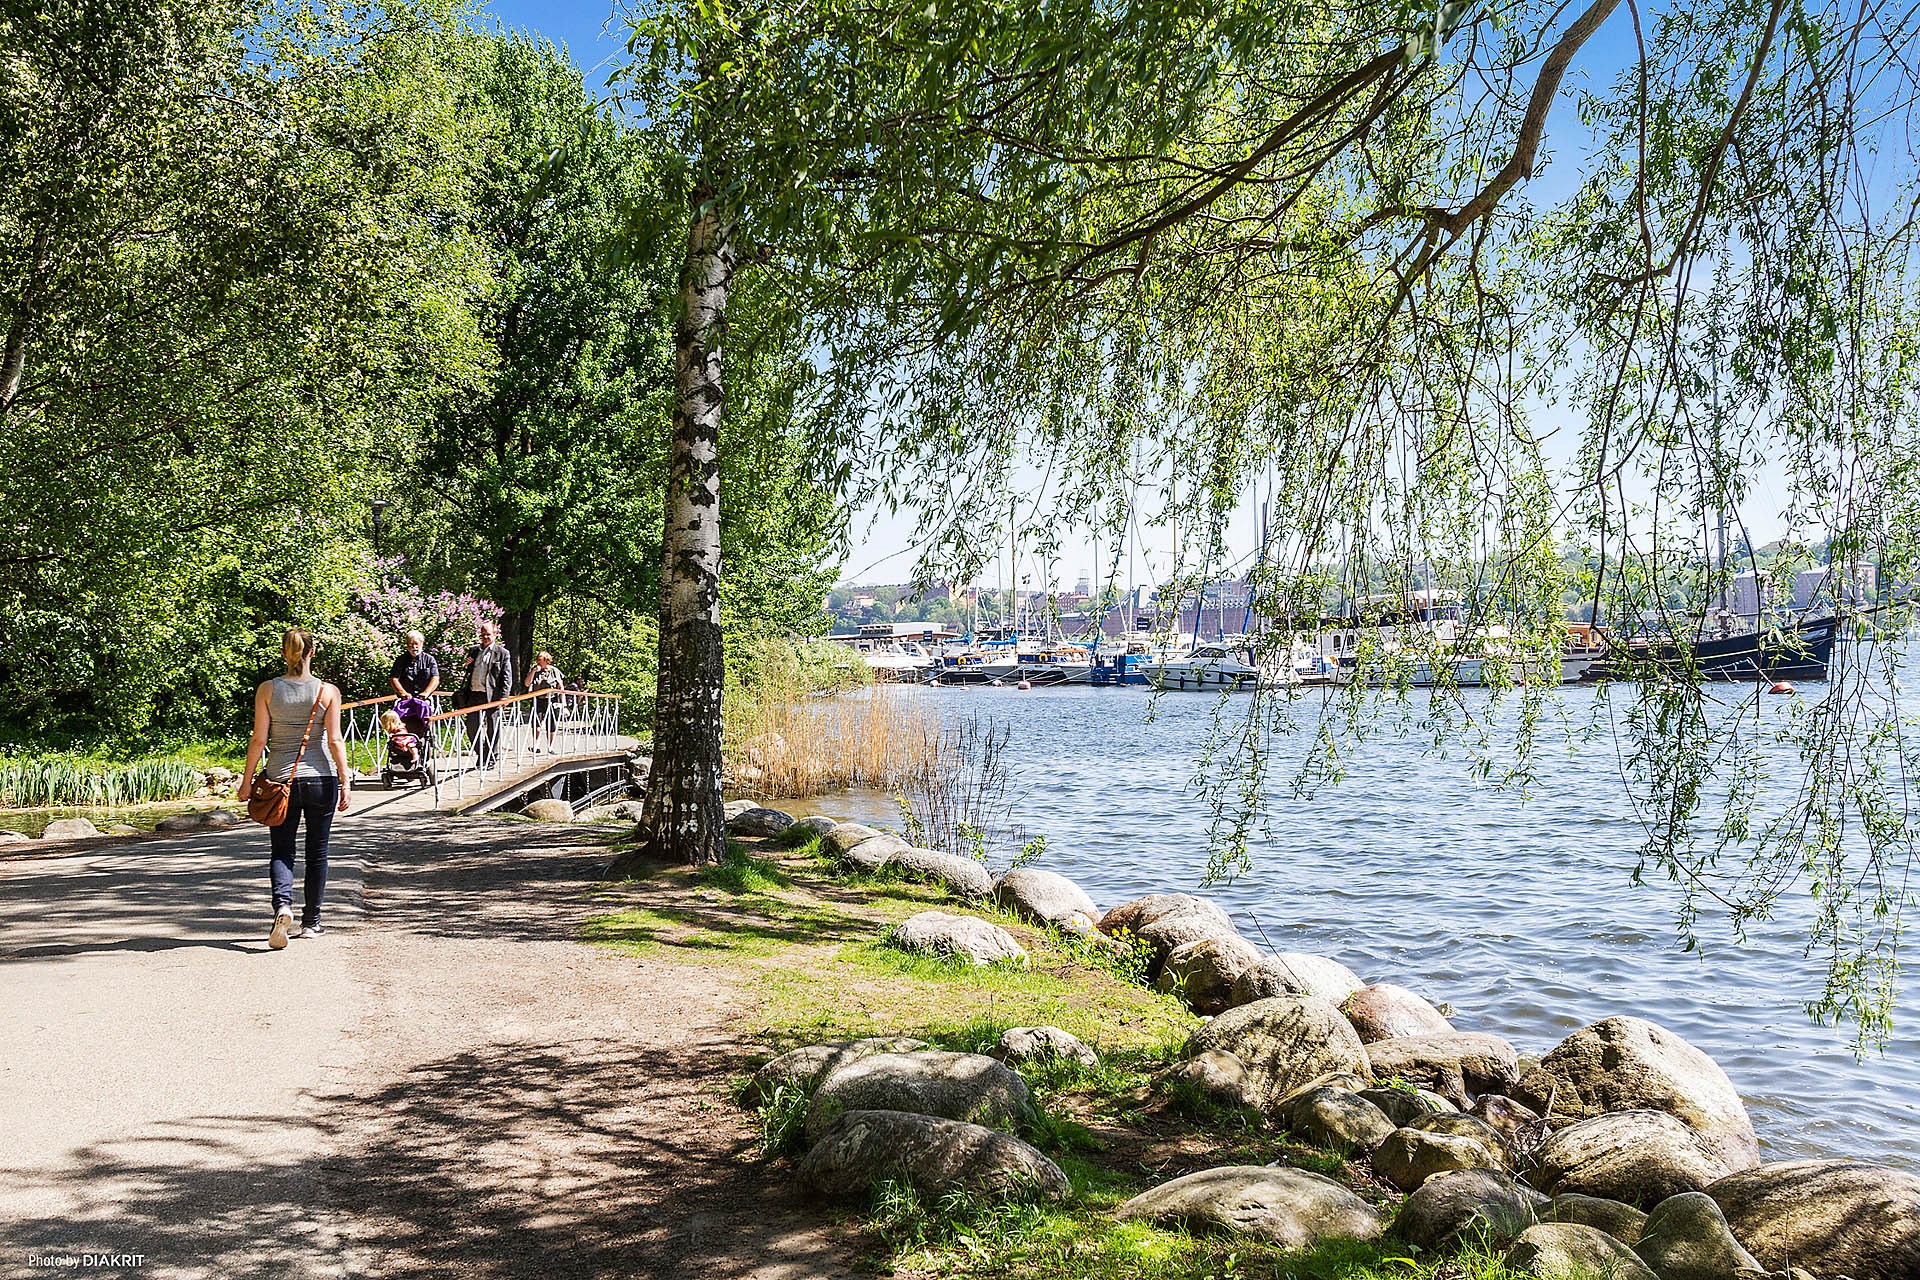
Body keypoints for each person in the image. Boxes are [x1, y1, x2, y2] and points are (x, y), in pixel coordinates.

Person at [237, 628, 350, 949]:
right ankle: (311, 923)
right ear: (312, 652)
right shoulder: (328, 692)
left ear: (285, 653)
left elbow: (259, 739)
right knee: (317, 852)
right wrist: (345, 780)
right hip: (320, 780)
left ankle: (282, 907)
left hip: (279, 781)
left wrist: (246, 781)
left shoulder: (267, 690)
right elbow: (334, 740)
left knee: (282, 850)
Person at [456, 621, 513, 768]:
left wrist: (504, 697)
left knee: (493, 727)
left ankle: (491, 758)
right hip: (474, 694)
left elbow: (507, 677)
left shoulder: (502, 653)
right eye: (483, 634)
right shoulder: (474, 651)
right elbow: (467, 673)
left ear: (495, 635)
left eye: (488, 634)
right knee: (471, 727)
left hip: (492, 695)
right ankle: (483, 755)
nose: (485, 637)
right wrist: (466, 665)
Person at [524, 651, 565, 751]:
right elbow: (527, 683)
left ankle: (550, 747)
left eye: (540, 660)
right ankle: (536, 745)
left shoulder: (554, 671)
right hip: (537, 699)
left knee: (551, 724)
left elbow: (561, 686)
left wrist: (563, 704)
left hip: (551, 700)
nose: (538, 662)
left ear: (546, 660)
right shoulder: (534, 670)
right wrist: (533, 672)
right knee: (536, 723)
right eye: (537, 659)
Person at [389, 629, 440, 700]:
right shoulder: (400, 660)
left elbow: (435, 678)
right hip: (405, 699)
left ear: (422, 643)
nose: (414, 647)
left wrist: (426, 692)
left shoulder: (429, 659)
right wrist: (403, 693)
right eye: (410, 644)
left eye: (416, 644)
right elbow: (394, 679)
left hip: (425, 699)